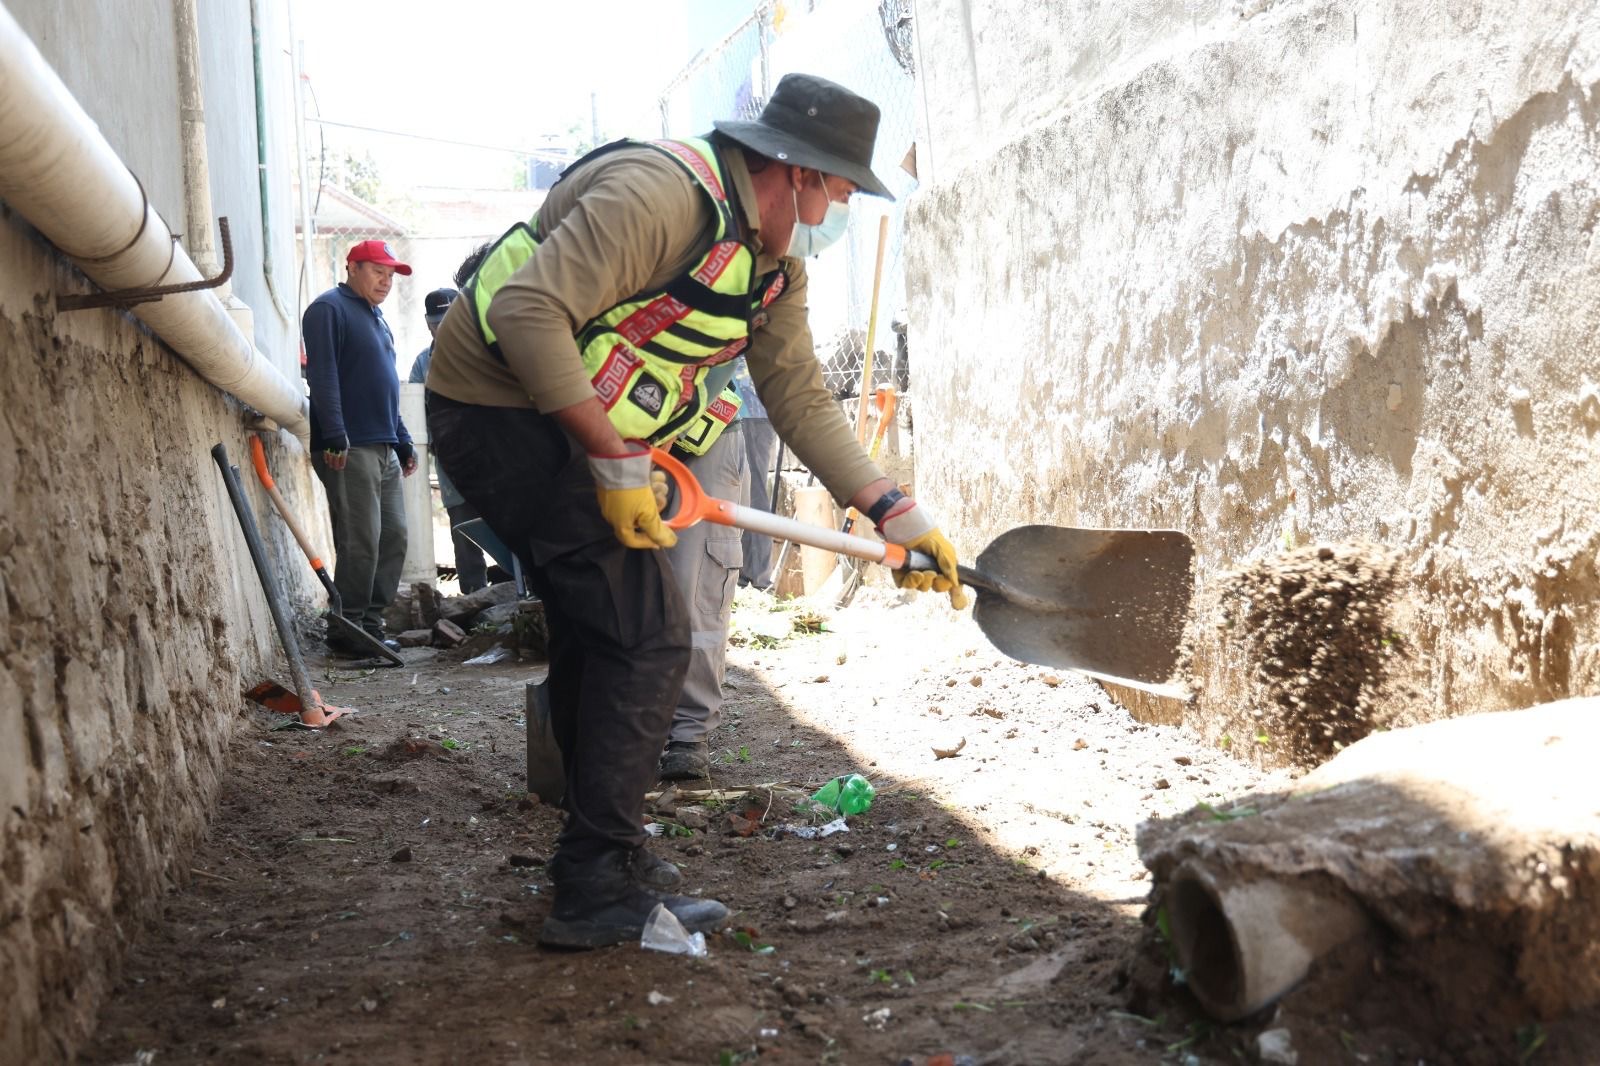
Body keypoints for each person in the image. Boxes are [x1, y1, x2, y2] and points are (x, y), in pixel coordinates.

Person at [424, 73, 966, 950]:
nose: (837, 213)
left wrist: (891, 508)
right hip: (495, 408)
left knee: (603, 628)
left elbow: (798, 395)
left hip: (568, 427)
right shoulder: (662, 195)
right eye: (836, 191)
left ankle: (601, 850)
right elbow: (528, 310)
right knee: (648, 637)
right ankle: (595, 879)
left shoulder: (772, 270)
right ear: (793, 171)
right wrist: (613, 459)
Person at [303, 239, 418, 654]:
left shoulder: (377, 317)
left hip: (382, 445)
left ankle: (370, 624)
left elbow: (384, 388)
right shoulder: (328, 309)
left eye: (390, 277)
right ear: (352, 267)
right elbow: (324, 376)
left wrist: (402, 439)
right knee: (361, 539)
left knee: (394, 537)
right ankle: (346, 628)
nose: (386, 282)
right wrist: (334, 434)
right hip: (348, 447)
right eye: (377, 272)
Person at [408, 286, 488, 593]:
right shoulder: (422, 364)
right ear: (429, 325)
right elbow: (415, 412)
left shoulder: (485, 351)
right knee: (464, 533)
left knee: (507, 527)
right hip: (452, 462)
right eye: (439, 322)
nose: (446, 327)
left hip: (493, 458)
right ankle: (476, 601)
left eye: (453, 319)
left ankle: (518, 596)